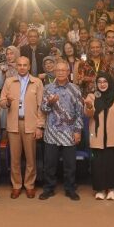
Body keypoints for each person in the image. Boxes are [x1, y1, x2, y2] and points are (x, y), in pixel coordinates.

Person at [39, 61, 84, 200]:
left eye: (63, 70)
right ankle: (49, 188)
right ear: (54, 72)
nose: (60, 72)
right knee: (49, 164)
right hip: (52, 132)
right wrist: (50, 103)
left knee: (70, 165)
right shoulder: (48, 88)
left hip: (69, 132)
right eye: (58, 70)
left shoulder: (75, 89)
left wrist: (77, 130)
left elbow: (79, 112)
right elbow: (43, 109)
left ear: (68, 72)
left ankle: (70, 189)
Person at [1, 56, 44, 198]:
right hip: (14, 124)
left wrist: (39, 126)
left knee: (31, 158)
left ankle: (30, 185)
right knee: (15, 158)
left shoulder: (37, 82)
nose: (22, 67)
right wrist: (7, 102)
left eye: (25, 65)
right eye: (19, 65)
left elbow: (41, 106)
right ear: (16, 67)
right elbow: (2, 102)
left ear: (29, 66)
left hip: (31, 124)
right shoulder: (9, 81)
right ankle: (16, 185)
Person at [85, 74, 114, 201]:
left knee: (112, 164)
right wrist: (89, 106)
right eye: (99, 82)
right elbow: (88, 114)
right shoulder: (92, 96)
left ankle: (112, 189)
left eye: (105, 81)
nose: (102, 84)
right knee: (98, 165)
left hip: (113, 137)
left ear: (109, 82)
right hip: (97, 137)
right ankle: (100, 190)